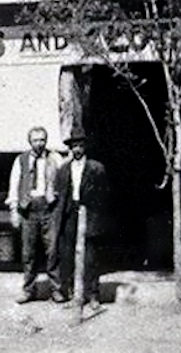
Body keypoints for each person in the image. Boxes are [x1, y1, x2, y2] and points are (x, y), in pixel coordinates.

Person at [50, 125, 109, 310]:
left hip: (89, 213)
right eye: (74, 146)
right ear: (70, 148)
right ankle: (73, 294)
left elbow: (103, 196)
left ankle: (93, 295)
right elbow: (60, 194)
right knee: (67, 255)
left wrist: (95, 217)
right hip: (70, 214)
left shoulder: (96, 168)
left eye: (80, 145)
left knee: (90, 256)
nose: (77, 149)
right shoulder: (63, 169)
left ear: (85, 147)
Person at [5, 125, 62, 303]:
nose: (39, 143)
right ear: (30, 141)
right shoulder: (21, 160)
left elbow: (64, 179)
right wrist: (14, 210)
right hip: (28, 210)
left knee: (52, 251)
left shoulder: (55, 158)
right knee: (28, 252)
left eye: (42, 140)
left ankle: (56, 289)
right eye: (36, 140)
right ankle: (28, 290)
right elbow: (14, 185)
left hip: (49, 209)